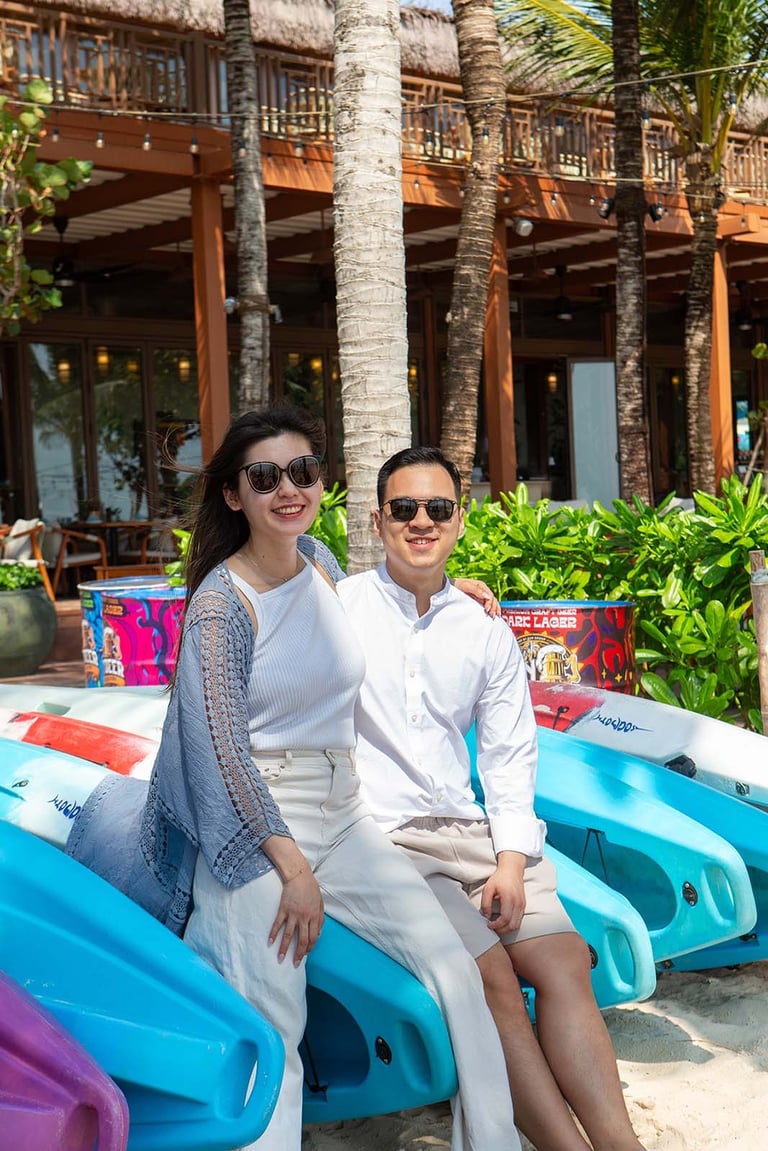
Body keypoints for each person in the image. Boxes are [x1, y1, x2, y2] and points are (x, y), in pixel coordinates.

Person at [67, 407, 522, 1151]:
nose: (289, 488)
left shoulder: (319, 561)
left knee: (458, 973)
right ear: (232, 495)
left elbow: (364, 616)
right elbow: (222, 753)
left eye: (303, 470)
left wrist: (443, 588)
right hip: (256, 830)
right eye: (265, 475)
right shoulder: (221, 604)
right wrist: (291, 867)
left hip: (345, 816)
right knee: (275, 1018)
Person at [337, 446, 647, 1151]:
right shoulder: (337, 608)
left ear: (460, 519)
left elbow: (508, 755)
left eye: (438, 508)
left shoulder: (483, 628)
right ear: (377, 520)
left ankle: (622, 1144)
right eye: (405, 509)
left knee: (564, 959)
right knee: (495, 977)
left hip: (472, 833)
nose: (422, 521)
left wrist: (510, 860)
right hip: (384, 841)